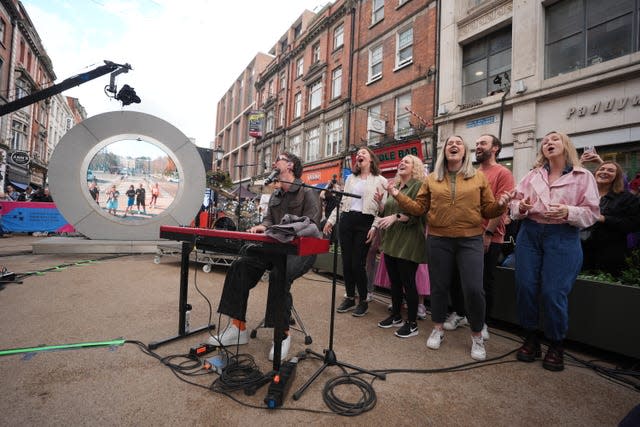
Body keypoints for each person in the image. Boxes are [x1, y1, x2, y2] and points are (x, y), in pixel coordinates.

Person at [390, 135, 512, 360]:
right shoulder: (432, 179)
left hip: (471, 240)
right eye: (449, 144)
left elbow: (488, 210)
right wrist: (398, 195)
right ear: (444, 151)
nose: (453, 145)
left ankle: (476, 335)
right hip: (438, 239)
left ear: (464, 152)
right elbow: (418, 209)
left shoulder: (478, 177)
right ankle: (437, 329)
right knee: (439, 287)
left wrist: (501, 206)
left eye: (458, 143)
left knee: (474, 289)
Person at [210, 152, 321, 362]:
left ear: (290, 165)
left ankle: (282, 334)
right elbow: (269, 220)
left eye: (278, 159)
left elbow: (313, 226)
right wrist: (262, 226)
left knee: (280, 274)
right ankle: (237, 328)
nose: (273, 162)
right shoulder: (276, 195)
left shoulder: (308, 192)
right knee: (241, 266)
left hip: (302, 250)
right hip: (276, 247)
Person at [510, 131, 599, 372]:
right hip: (530, 233)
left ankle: (556, 343)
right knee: (525, 286)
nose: (549, 143)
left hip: (563, 236)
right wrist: (522, 207)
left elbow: (591, 213)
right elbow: (514, 206)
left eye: (554, 139)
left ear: (566, 145)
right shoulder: (532, 175)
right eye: (545, 141)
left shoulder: (584, 177)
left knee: (553, 292)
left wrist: (568, 212)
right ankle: (531, 337)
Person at [443, 134, 515, 340]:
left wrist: (489, 233)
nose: (478, 146)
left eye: (483, 143)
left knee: (482, 283)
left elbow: (501, 206)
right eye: (476, 143)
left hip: (488, 237)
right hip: (464, 234)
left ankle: (482, 322)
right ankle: (460, 313)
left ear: (496, 148)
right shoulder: (472, 173)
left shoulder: (503, 172)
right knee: (457, 278)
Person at [323, 146, 387, 317]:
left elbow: (382, 210)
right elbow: (343, 202)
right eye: (358, 154)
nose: (359, 155)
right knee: (346, 262)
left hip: (365, 222)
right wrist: (330, 221)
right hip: (347, 221)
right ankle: (350, 297)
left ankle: (363, 300)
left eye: (363, 153)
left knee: (358, 264)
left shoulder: (380, 180)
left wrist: (374, 227)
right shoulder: (351, 178)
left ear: (371, 159)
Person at [373, 155, 427, 338]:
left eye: (407, 162)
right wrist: (381, 205)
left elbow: (417, 213)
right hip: (392, 241)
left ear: (415, 167)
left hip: (409, 241)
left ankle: (412, 323)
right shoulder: (394, 187)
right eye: (401, 161)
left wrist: (396, 217)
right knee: (395, 282)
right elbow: (388, 212)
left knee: (408, 282)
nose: (402, 163)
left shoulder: (419, 186)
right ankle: (396, 315)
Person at [580, 161, 640, 277]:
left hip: (610, 254)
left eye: (610, 170)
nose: (604, 172)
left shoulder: (627, 198)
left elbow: (633, 224)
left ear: (617, 176)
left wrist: (604, 219)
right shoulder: (583, 194)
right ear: (595, 173)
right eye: (601, 169)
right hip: (581, 249)